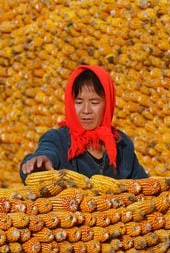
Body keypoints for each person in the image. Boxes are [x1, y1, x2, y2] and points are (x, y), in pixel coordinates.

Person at [20, 64, 148, 183]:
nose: (86, 111)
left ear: (108, 104)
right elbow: (46, 151)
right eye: (79, 102)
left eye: (94, 102)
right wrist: (38, 162)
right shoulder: (58, 139)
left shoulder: (122, 144)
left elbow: (143, 183)